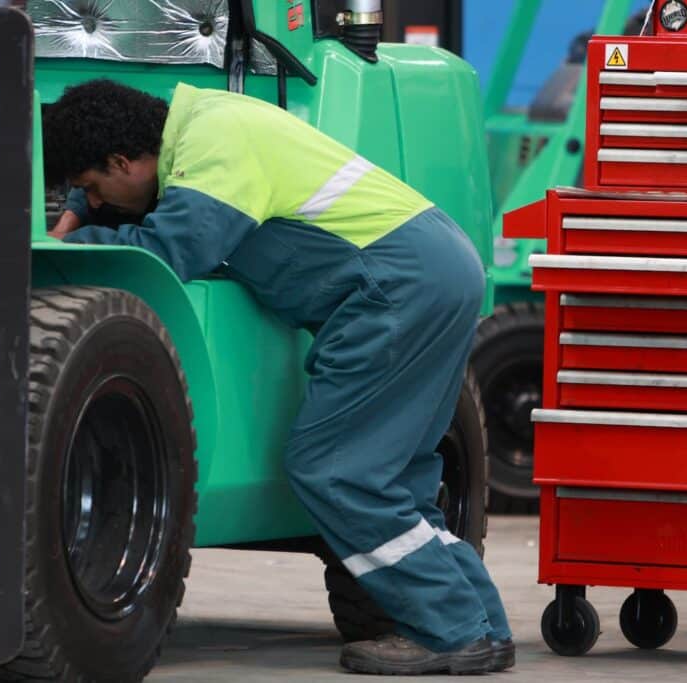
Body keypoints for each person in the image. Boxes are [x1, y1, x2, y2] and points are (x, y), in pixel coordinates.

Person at [42, 79, 514, 676]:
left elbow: (174, 248)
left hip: (398, 288)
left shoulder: (215, 141)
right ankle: (480, 629)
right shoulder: (200, 124)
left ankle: (452, 633)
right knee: (400, 484)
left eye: (93, 187)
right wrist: (84, 205)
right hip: (429, 273)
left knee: (337, 469)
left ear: (121, 160)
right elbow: (156, 205)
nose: (97, 200)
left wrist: (65, 240)